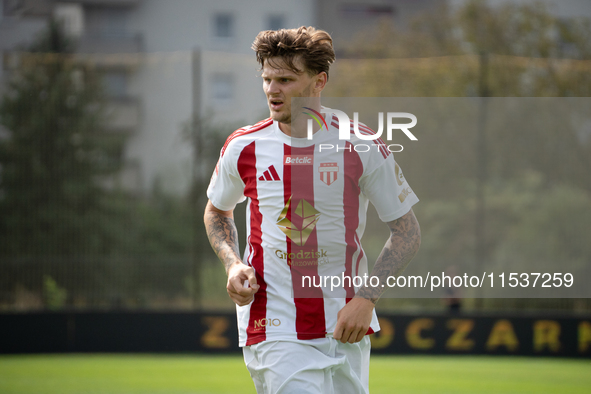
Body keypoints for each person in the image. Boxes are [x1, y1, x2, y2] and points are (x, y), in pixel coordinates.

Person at [204, 26, 421, 394]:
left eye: (286, 79)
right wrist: (233, 263)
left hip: (345, 325)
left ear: (319, 82)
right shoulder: (243, 147)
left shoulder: (361, 144)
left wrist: (366, 300)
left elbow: (407, 231)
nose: (273, 90)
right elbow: (217, 211)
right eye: (268, 79)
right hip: (274, 325)